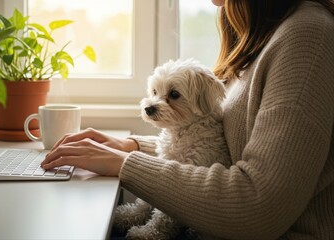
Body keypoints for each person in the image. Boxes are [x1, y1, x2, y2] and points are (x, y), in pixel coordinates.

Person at [42, 0, 334, 239]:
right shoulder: (260, 36)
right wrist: (130, 146)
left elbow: (259, 206)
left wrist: (124, 163)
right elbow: (226, 146)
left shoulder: (307, 37)